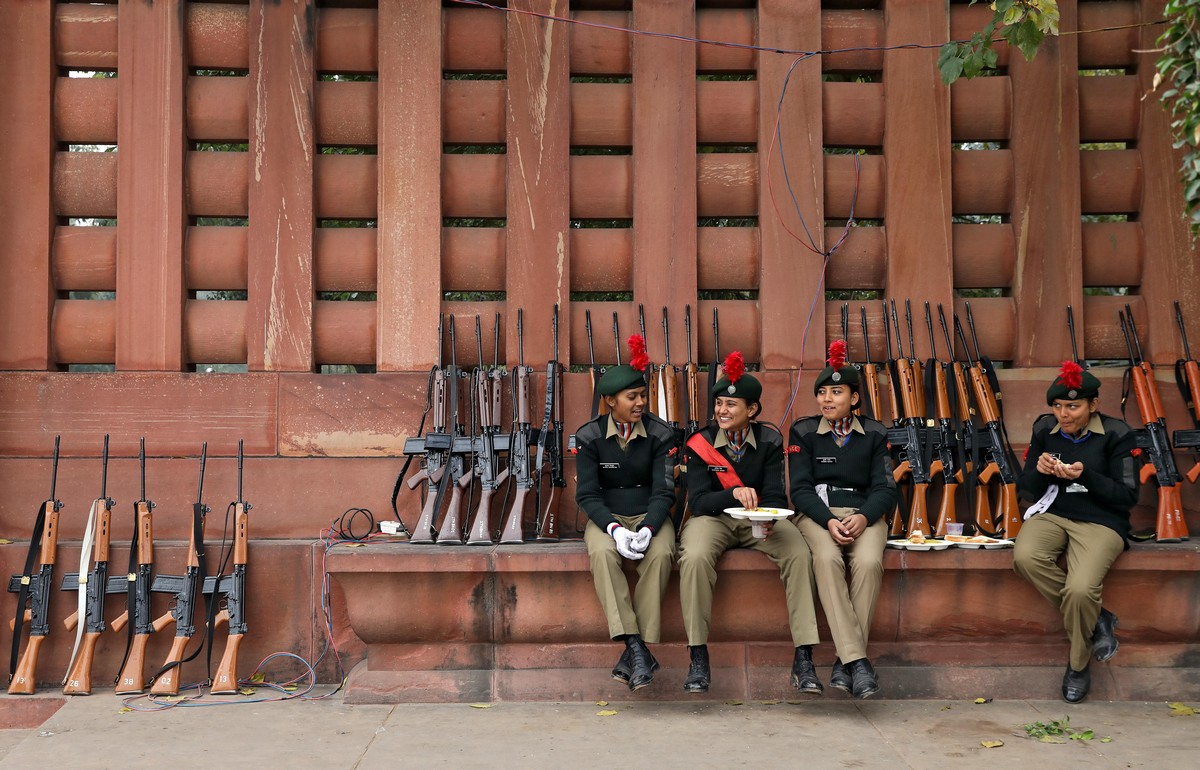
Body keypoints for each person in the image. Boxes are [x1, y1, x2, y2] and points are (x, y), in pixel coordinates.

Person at [678, 351, 824, 695]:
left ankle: (804, 656)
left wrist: (767, 520)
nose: (722, 411)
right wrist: (735, 494)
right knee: (695, 556)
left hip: (758, 521)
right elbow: (699, 502)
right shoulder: (698, 443)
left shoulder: (771, 441)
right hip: (712, 519)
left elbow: (775, 495)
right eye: (719, 404)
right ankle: (698, 655)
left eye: (731, 404)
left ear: (752, 410)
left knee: (799, 554)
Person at [1013, 361, 1138, 703]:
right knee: (1025, 557)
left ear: (1093, 405)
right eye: (1057, 406)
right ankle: (1099, 619)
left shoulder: (1117, 433)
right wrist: (1039, 472)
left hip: (1101, 521)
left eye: (1072, 406)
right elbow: (1025, 489)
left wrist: (1083, 475)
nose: (1063, 414)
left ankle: (1078, 665)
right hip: (1053, 514)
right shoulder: (1045, 430)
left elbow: (1127, 496)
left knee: (1081, 589)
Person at [788, 340, 899, 699]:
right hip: (818, 516)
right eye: (822, 393)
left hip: (864, 514)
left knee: (868, 562)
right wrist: (828, 521)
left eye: (836, 392)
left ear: (854, 397)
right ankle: (858, 663)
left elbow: (886, 488)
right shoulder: (803, 432)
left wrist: (865, 518)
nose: (827, 399)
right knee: (826, 559)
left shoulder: (876, 433)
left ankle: (844, 661)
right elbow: (800, 490)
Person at [574, 334, 678, 691]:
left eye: (642, 396)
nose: (640, 403)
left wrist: (649, 528)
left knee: (663, 552)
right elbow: (586, 494)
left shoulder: (661, 434)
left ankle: (636, 651)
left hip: (650, 513)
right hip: (607, 516)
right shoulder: (588, 437)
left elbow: (665, 490)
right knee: (602, 553)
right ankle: (635, 645)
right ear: (609, 401)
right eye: (631, 397)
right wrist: (615, 530)